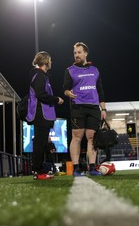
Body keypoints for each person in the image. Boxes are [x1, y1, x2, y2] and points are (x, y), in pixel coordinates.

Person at [63, 42, 107, 177]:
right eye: (75, 53)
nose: (76, 55)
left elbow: (100, 90)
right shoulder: (69, 70)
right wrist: (68, 93)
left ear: (86, 53)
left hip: (94, 108)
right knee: (77, 137)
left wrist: (103, 109)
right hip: (78, 107)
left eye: (79, 52)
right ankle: (76, 169)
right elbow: (65, 89)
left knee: (92, 138)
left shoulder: (95, 70)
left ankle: (92, 167)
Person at [26, 51, 64, 180]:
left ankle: (39, 170)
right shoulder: (39, 75)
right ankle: (38, 171)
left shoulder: (41, 75)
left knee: (41, 143)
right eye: (50, 60)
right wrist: (56, 99)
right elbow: (41, 94)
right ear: (46, 61)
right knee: (40, 143)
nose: (52, 62)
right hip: (40, 113)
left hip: (42, 114)